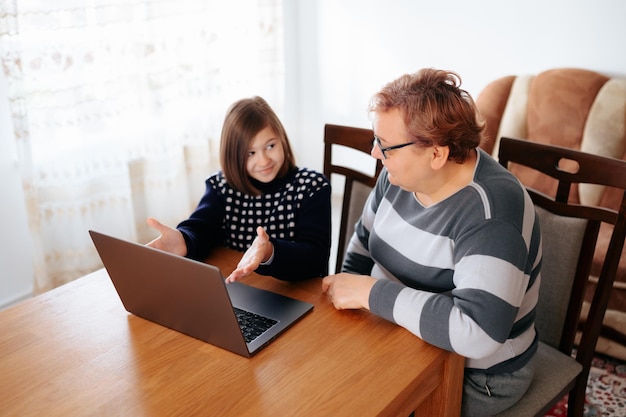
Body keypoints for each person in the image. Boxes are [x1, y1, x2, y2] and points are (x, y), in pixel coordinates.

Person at [321, 68, 541, 416]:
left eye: (386, 146)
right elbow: (362, 247)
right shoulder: (397, 176)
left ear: (436, 155)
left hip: (477, 375)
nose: (376, 154)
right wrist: (349, 314)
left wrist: (369, 293)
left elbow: (478, 333)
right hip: (399, 339)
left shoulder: (492, 214)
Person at [147, 96, 331, 282]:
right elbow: (201, 228)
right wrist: (183, 240)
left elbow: (316, 257)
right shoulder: (221, 188)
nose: (264, 160)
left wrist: (270, 252)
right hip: (238, 288)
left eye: (270, 146)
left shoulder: (311, 187)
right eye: (250, 153)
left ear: (282, 140)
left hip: (298, 295)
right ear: (233, 156)